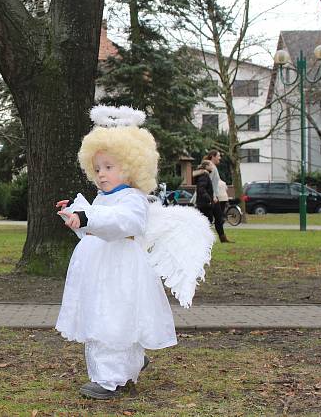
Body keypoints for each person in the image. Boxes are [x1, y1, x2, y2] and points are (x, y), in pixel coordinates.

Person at [55, 105, 212, 400]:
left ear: (131, 167)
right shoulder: (102, 197)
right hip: (98, 270)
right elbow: (94, 226)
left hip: (120, 269)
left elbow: (125, 223)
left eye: (109, 168)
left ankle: (110, 377)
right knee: (101, 314)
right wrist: (76, 219)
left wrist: (90, 218)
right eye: (98, 168)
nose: (101, 175)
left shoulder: (133, 199)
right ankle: (128, 365)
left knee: (115, 317)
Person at [205, 150, 231, 243]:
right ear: (213, 156)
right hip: (209, 198)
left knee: (218, 217)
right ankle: (204, 238)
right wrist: (212, 196)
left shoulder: (213, 166)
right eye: (218, 156)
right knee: (209, 219)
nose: (220, 158)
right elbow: (208, 182)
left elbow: (215, 182)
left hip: (212, 197)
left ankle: (222, 238)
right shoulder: (210, 166)